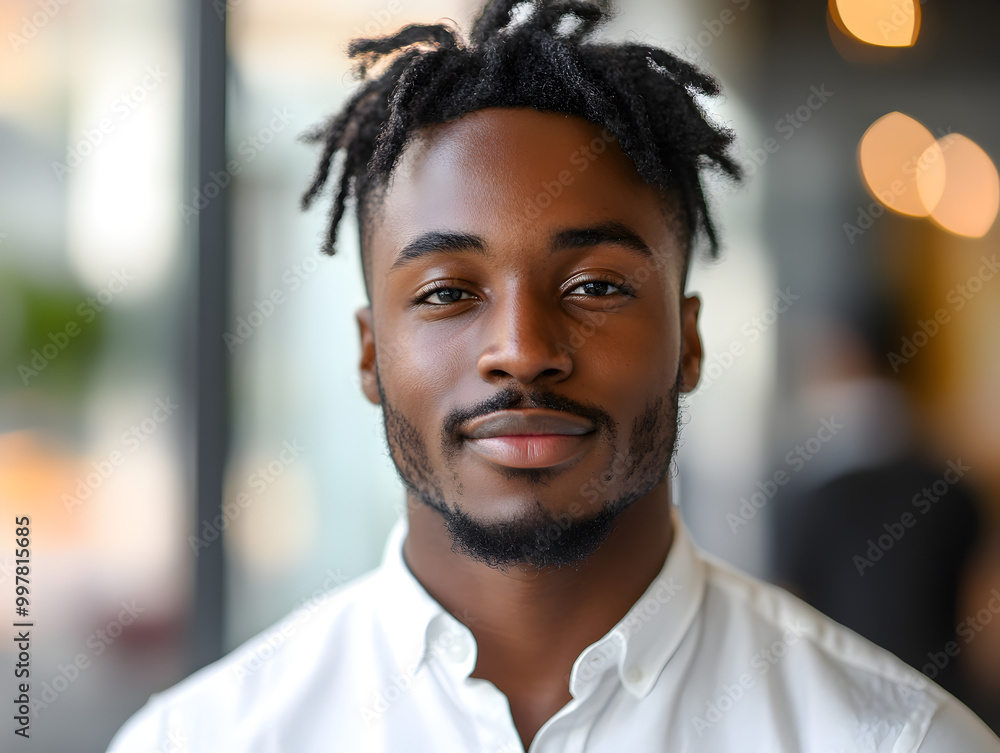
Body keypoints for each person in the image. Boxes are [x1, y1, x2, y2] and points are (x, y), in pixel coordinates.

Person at [107, 0, 1000, 750]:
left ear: (688, 342)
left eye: (596, 285)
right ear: (369, 353)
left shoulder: (898, 740)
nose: (523, 347)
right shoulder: (198, 739)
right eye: (449, 291)